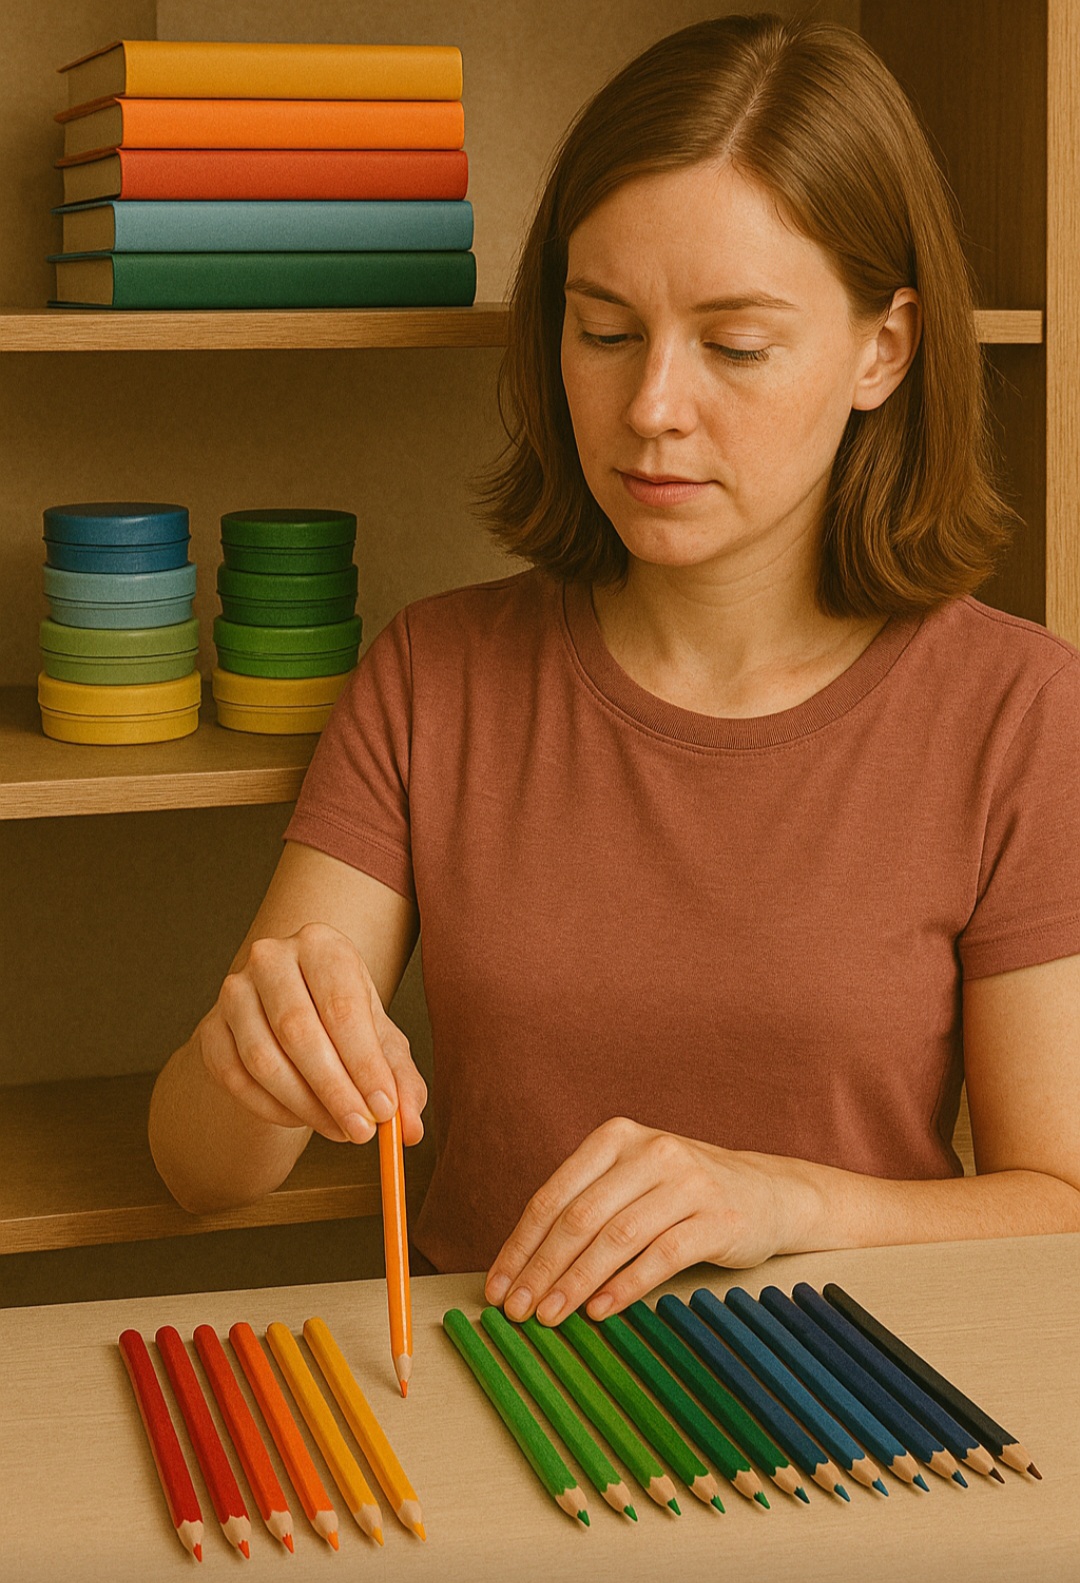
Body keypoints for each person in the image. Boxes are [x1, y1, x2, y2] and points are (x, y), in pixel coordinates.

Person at [150, 13, 1080, 1329]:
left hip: (861, 1413)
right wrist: (249, 1070)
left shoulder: (1023, 712)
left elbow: (1062, 1202)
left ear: (885, 349)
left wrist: (792, 1203)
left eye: (735, 345)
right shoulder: (437, 676)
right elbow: (200, 1178)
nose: (651, 405)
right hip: (507, 1408)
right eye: (603, 330)